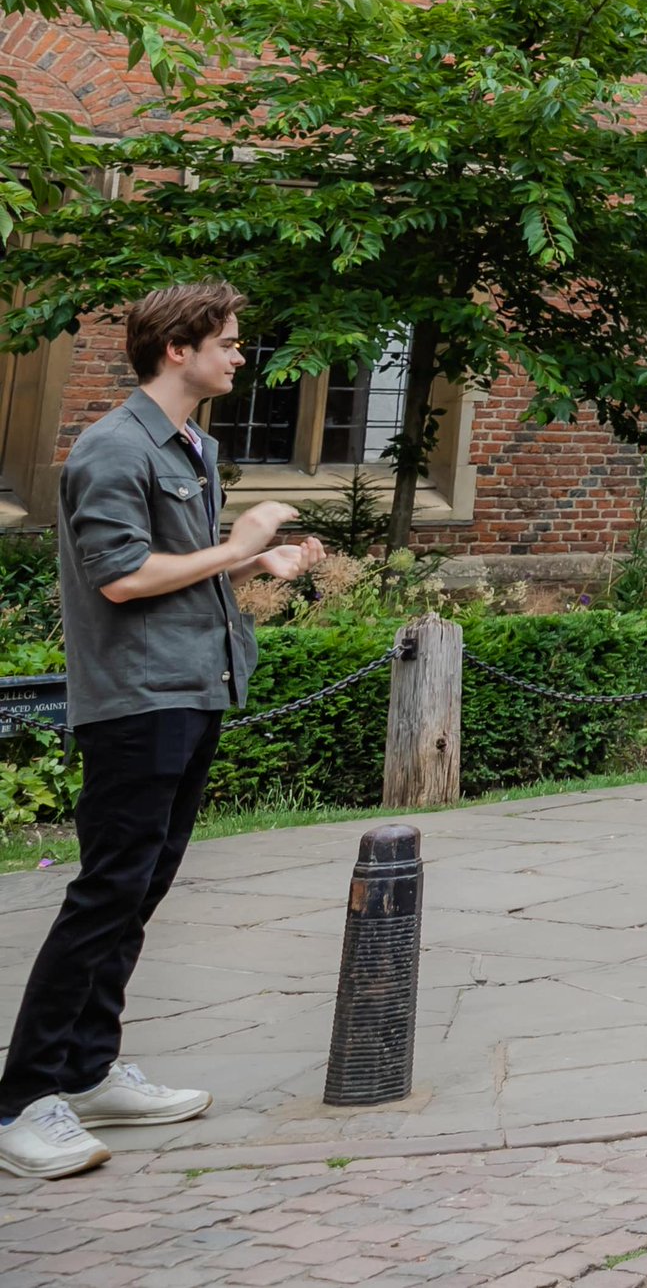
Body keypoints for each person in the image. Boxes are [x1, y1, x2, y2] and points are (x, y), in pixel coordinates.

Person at [0, 285, 321, 1181]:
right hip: (137, 698)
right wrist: (244, 534)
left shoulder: (193, 445)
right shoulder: (110, 448)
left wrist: (258, 559)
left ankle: (89, 1069)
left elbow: (172, 566)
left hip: (192, 688)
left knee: (139, 890)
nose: (240, 356)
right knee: (106, 894)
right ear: (176, 349)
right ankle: (20, 1101)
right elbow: (123, 579)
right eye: (227, 342)